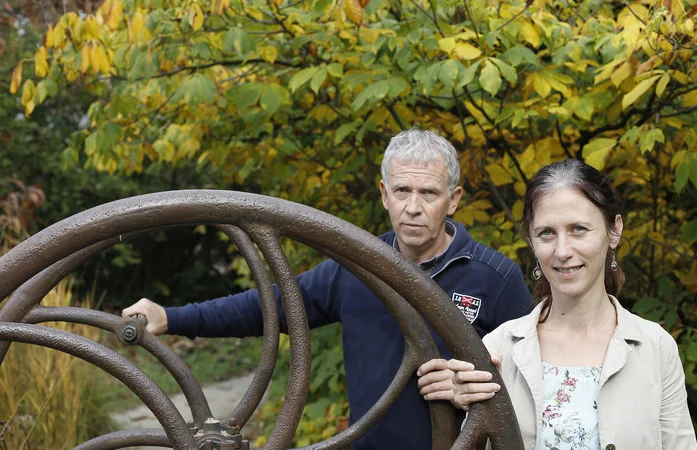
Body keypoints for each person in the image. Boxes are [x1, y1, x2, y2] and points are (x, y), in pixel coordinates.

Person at [123, 128, 533, 450]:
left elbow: (532, 380)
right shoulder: (355, 267)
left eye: (428, 193)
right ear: (384, 194)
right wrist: (171, 316)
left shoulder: (493, 277)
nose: (413, 207)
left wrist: (481, 389)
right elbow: (265, 307)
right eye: (402, 191)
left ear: (454, 199)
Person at [448, 159, 697, 450]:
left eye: (578, 229)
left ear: (614, 230)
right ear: (531, 239)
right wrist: (463, 403)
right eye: (547, 233)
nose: (563, 251)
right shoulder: (499, 348)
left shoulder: (656, 348)